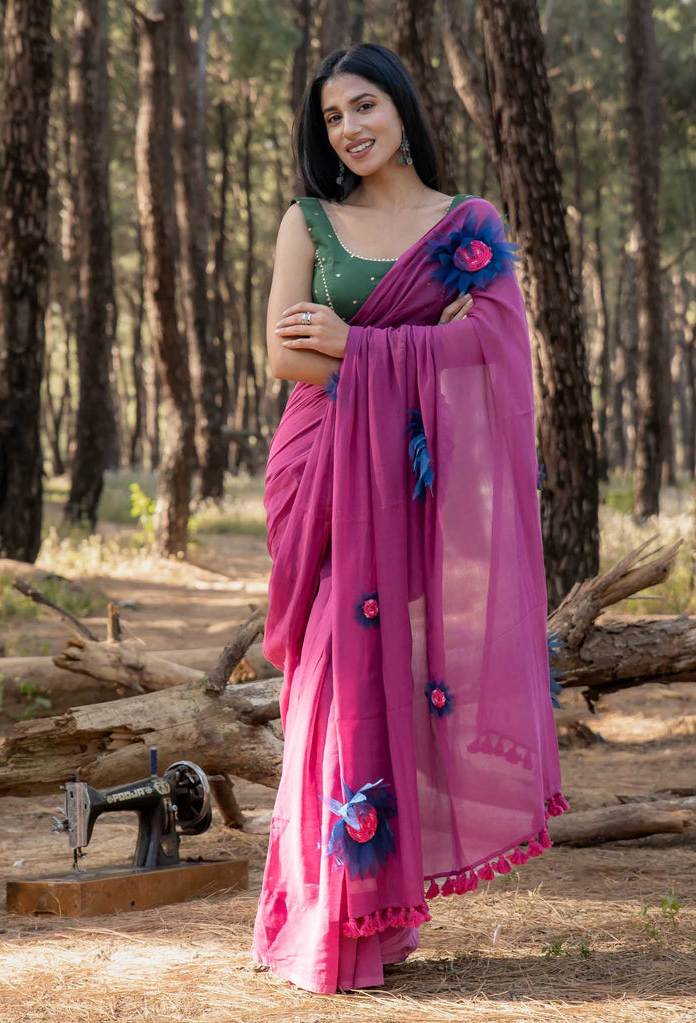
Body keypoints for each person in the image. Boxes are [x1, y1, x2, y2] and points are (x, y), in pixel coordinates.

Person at [251, 42, 568, 995]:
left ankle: (376, 916)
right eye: (331, 118)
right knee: (329, 677)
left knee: (387, 674)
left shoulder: (466, 226)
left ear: (400, 108)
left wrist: (355, 344)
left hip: (407, 476)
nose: (348, 129)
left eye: (363, 107)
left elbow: (496, 352)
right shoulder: (309, 221)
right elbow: (284, 358)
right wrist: (397, 346)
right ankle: (324, 916)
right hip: (321, 471)